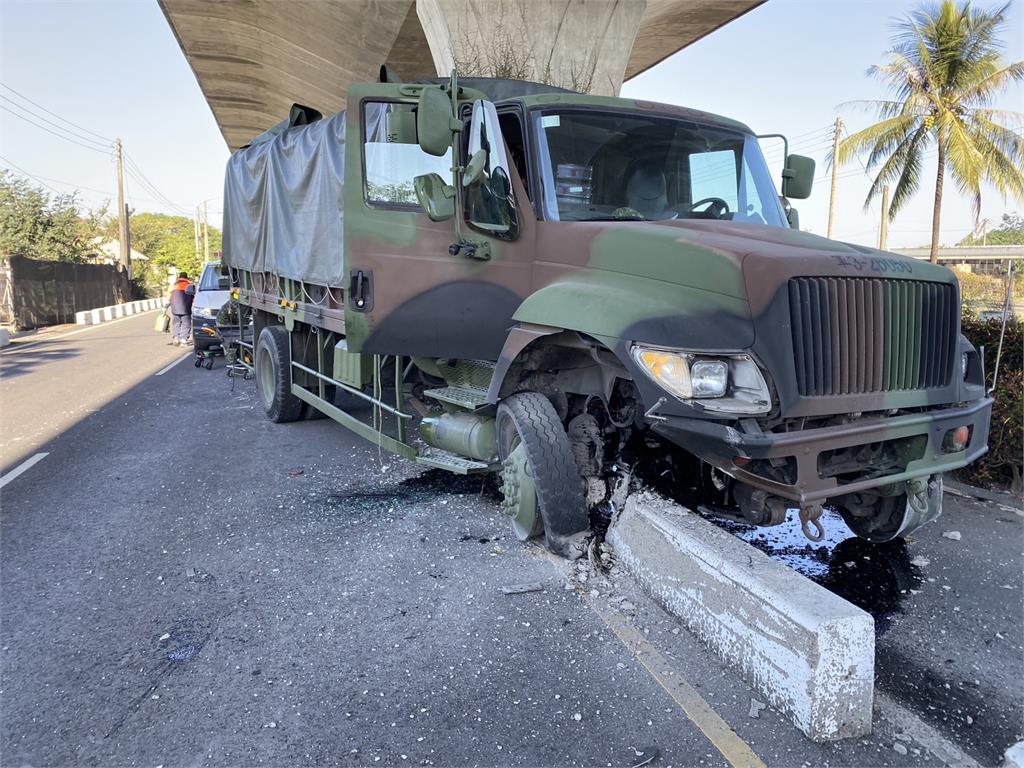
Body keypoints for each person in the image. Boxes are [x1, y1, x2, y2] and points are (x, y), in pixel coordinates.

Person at [168, 272, 194, 346]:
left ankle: (176, 337)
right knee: (186, 323)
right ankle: (183, 339)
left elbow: (169, 296)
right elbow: (193, 297)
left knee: (176, 323)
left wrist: (168, 305)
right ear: (186, 277)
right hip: (185, 308)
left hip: (175, 308)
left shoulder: (174, 285)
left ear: (179, 277)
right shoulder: (189, 285)